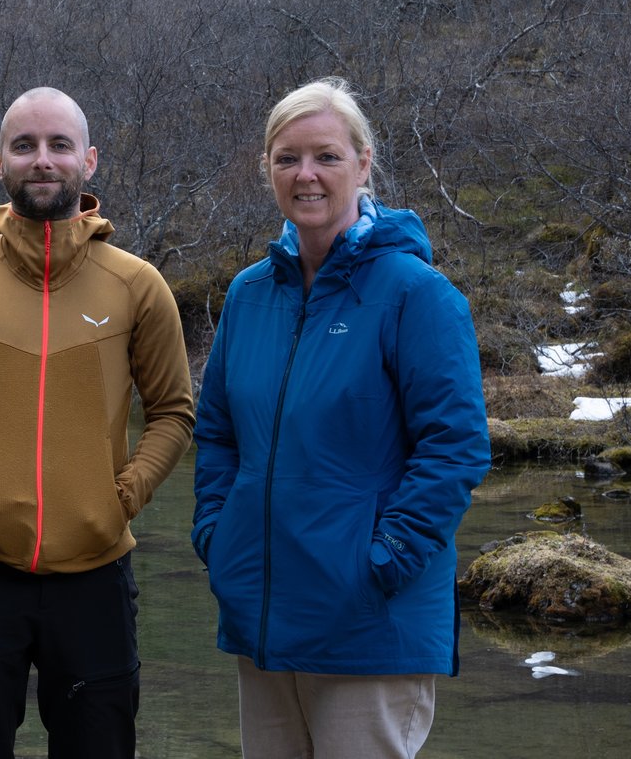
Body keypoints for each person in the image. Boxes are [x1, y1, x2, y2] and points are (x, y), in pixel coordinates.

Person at [191, 77, 490, 759]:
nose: (306, 174)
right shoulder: (249, 294)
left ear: (363, 162)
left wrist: (380, 560)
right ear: (266, 167)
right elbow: (217, 433)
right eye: (287, 157)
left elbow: (456, 448)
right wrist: (219, 534)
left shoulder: (416, 294)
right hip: (265, 613)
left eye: (325, 156)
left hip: (368, 624)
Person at [0, 86, 196, 759]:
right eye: (25, 145)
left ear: (89, 160)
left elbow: (173, 411)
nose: (43, 159)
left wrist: (120, 497)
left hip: (95, 579)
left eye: (59, 145)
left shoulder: (137, 286)